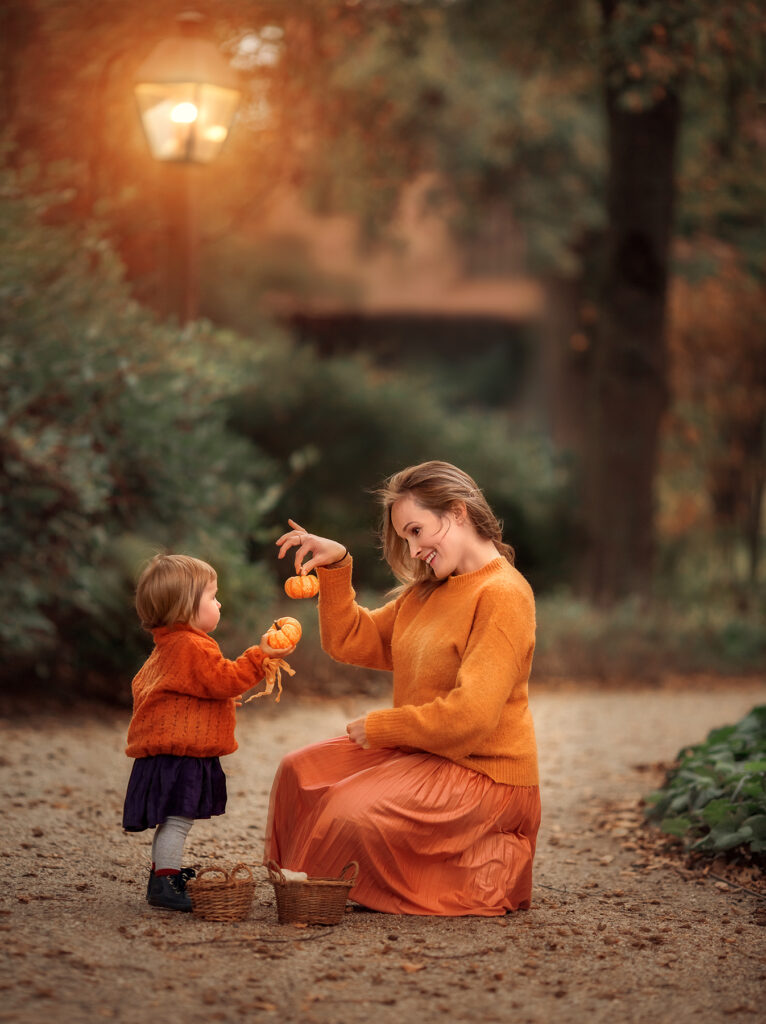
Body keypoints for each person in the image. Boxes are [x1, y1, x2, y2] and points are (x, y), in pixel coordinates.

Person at [265, 460, 540, 916]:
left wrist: (383, 728)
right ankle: (322, 886)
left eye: (416, 530)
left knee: (347, 810)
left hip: (485, 774)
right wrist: (336, 567)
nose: (413, 550)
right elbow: (352, 640)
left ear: (456, 512)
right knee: (299, 773)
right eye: (406, 537)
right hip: (425, 754)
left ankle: (483, 865)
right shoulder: (427, 592)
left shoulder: (504, 595)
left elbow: (472, 716)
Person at [122, 553, 294, 912]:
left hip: (169, 752)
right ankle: (164, 882)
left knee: (173, 818)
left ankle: (164, 873)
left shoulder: (168, 645)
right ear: (186, 607)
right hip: (180, 753)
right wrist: (259, 657)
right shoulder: (190, 645)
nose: (219, 603)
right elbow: (224, 681)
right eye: (212, 596)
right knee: (178, 819)